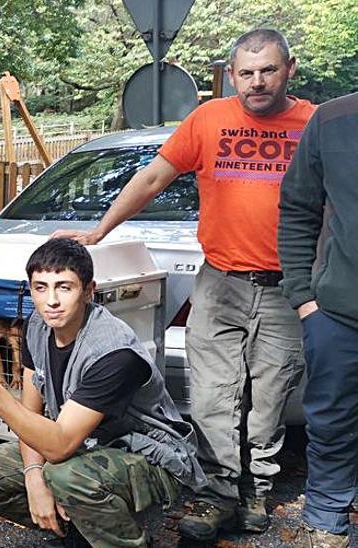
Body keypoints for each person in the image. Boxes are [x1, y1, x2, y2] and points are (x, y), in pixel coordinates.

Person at [51, 28, 315, 541]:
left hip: (290, 285)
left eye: (268, 71)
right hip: (219, 280)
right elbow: (152, 178)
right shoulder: (209, 119)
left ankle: (257, 491)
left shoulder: (315, 124)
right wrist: (99, 230)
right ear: (230, 74)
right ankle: (219, 492)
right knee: (214, 394)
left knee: (270, 392)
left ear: (290, 69)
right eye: (246, 73)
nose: (257, 82)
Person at [0, 238, 204, 547]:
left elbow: (61, 445)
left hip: (148, 455)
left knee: (67, 478)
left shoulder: (113, 353)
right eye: (41, 288)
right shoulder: (37, 326)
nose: (51, 301)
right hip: (80, 444)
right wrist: (33, 477)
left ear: (89, 290)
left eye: (64, 287)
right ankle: (78, 531)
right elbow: (31, 415)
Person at [278, 92, 358, 548]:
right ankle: (327, 517)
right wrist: (303, 297)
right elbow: (298, 208)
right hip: (340, 314)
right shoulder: (333, 119)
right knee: (331, 421)